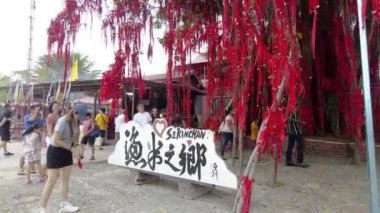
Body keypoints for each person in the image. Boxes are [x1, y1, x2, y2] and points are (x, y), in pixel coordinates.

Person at [39, 108, 81, 213]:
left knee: (65, 179)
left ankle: (64, 204)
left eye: (80, 114)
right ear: (71, 111)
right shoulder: (63, 121)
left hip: (66, 151)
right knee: (52, 179)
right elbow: (56, 140)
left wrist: (78, 150)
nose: (78, 116)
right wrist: (71, 149)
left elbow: (75, 139)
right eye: (76, 113)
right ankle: (42, 208)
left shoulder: (76, 123)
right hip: (55, 150)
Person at [18, 104, 45, 175]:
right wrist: (36, 112)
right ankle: (21, 168)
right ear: (31, 109)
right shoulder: (27, 117)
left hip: (36, 138)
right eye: (35, 108)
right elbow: (31, 120)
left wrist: (42, 139)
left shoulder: (40, 119)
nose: (37, 110)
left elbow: (43, 128)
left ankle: (32, 168)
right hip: (28, 137)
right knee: (26, 153)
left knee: (36, 154)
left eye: (38, 109)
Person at [133, 104, 156, 185]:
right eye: (139, 106)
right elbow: (134, 125)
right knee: (140, 150)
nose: (141, 107)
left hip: (147, 134)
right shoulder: (136, 115)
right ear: (137, 108)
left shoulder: (147, 114)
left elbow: (150, 122)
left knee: (148, 149)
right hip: (139, 135)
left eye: (142, 106)